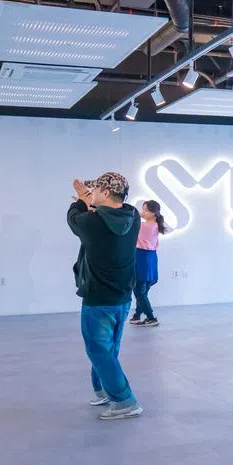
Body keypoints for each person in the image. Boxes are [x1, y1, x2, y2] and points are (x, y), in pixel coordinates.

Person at [67, 172, 143, 420]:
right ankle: (102, 391)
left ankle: (124, 401)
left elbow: (73, 219)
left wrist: (80, 201)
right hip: (122, 296)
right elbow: (104, 217)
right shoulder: (133, 216)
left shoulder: (92, 223)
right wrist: (91, 204)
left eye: (97, 189)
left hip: (98, 299)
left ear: (107, 193)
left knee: (98, 350)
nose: (94, 192)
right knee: (108, 349)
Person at [131, 199, 167, 327]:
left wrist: (136, 214)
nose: (143, 212)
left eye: (145, 210)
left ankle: (151, 317)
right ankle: (136, 316)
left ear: (153, 212)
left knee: (139, 290)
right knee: (143, 290)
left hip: (141, 256)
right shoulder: (156, 225)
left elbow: (129, 219)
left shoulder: (144, 226)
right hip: (150, 257)